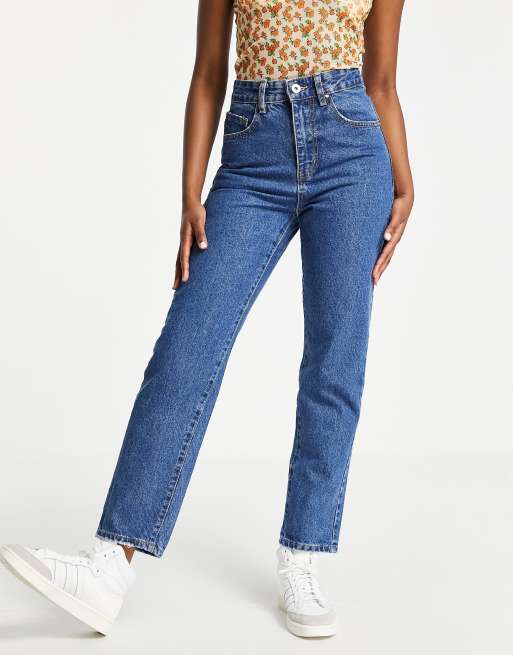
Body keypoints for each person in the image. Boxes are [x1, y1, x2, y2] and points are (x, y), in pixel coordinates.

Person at [0, 0, 413, 639]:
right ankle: (108, 566)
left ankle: (303, 556)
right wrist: (190, 193)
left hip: (354, 160)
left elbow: (381, 82)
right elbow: (208, 71)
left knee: (335, 361)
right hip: (252, 160)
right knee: (185, 351)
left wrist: (404, 182)